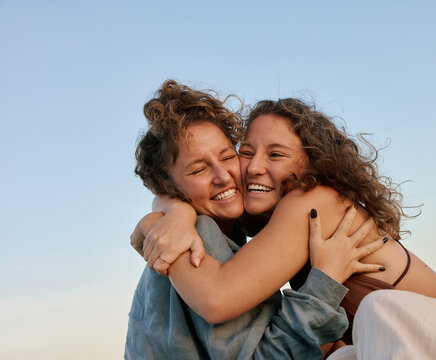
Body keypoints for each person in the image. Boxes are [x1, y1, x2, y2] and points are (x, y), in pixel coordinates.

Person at [136, 97, 436, 349]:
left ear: (311, 162)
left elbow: (216, 299)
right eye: (247, 152)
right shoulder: (270, 222)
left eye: (275, 155)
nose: (255, 168)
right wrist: (173, 210)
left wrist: (159, 222)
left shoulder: (312, 203)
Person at [125, 80, 386, 359]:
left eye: (228, 157)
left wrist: (170, 209)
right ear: (169, 187)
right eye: (199, 170)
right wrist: (326, 282)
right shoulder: (196, 241)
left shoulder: (191, 231)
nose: (223, 176)